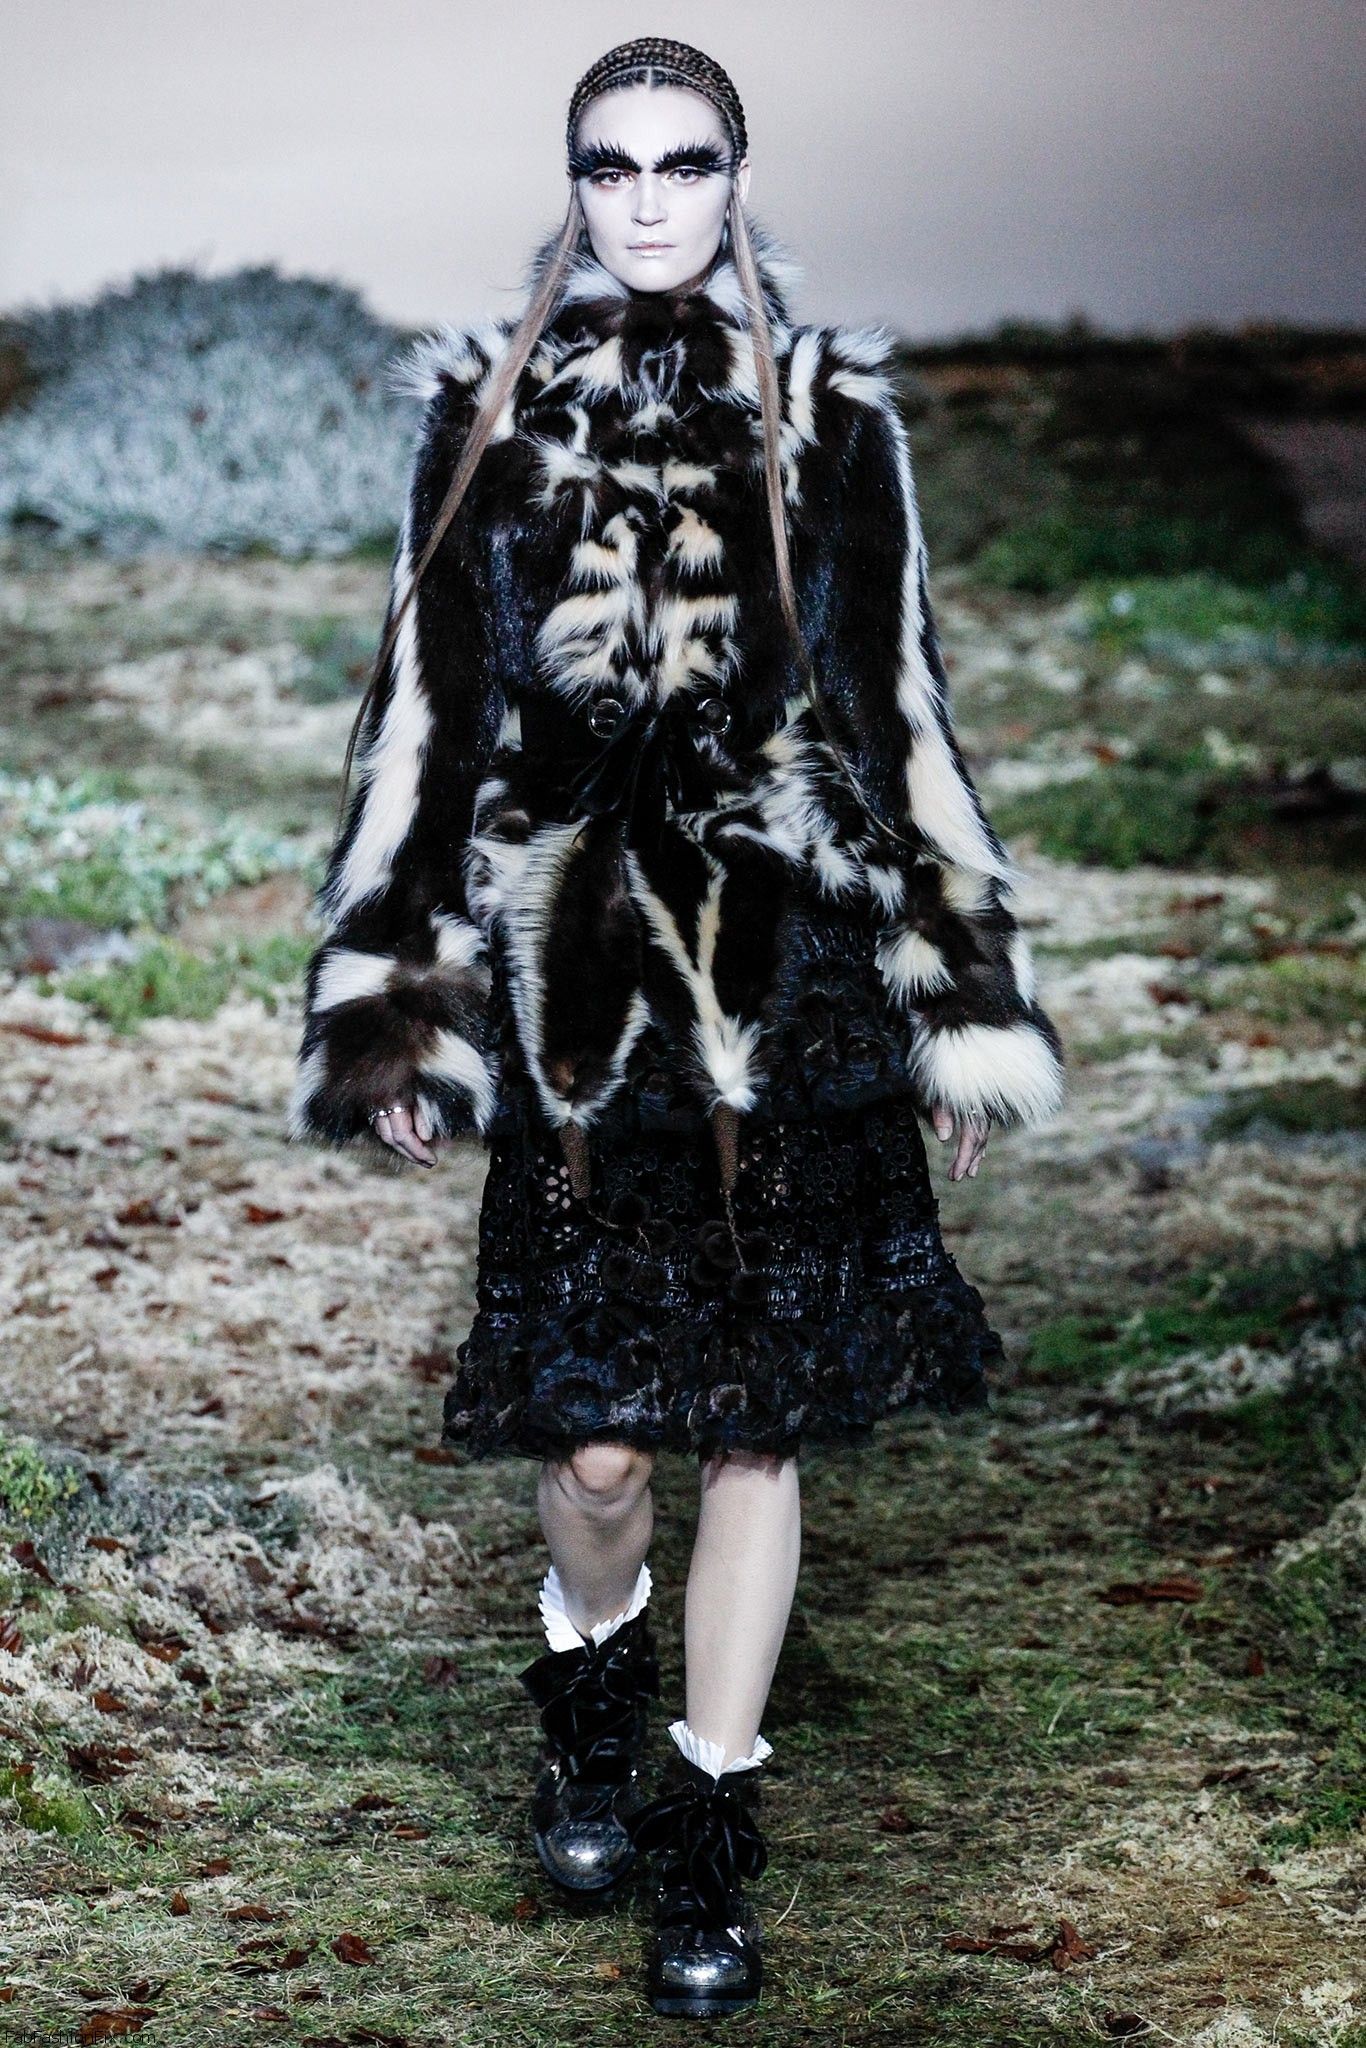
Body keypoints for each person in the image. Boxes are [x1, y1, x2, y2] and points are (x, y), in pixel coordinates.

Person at [287, 36, 1065, 2022]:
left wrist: (957, 986)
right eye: (610, 166)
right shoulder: (482, 413)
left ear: (735, 175)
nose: (646, 200)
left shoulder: (827, 415)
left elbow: (892, 700)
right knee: (596, 1443)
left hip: (788, 978)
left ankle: (710, 1831)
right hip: (576, 992)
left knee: (751, 1422)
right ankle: (587, 1684)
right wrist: (394, 999)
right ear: (573, 183)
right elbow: (427, 716)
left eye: (683, 163)